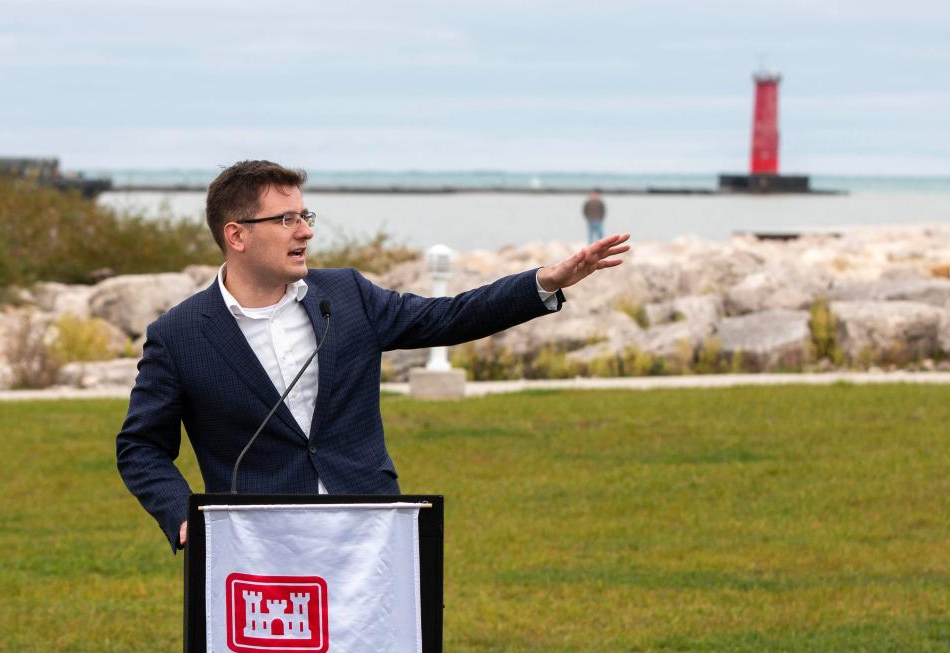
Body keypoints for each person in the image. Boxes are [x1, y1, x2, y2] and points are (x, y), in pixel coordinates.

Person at [117, 160, 630, 552]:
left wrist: (543, 283)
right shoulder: (179, 335)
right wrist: (183, 516)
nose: (306, 231)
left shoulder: (345, 296)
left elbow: (448, 317)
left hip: (370, 537)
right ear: (237, 235)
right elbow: (140, 446)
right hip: (256, 552)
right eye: (288, 218)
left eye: (306, 215)